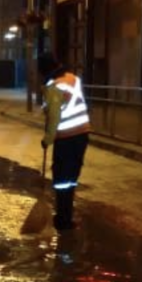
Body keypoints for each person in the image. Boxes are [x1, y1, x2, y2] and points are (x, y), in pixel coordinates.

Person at [38, 53, 91, 231]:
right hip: (82, 134)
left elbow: (53, 117)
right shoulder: (72, 78)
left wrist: (47, 140)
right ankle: (66, 217)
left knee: (61, 180)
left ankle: (63, 220)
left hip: (67, 137)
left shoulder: (55, 87)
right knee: (71, 177)